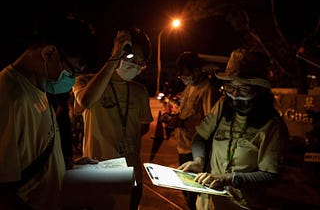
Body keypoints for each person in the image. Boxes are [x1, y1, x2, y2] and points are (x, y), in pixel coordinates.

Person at [0, 11, 99, 209]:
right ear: (49, 53)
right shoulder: (10, 96)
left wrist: (71, 166)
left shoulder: (39, 88)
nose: (72, 79)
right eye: (72, 71)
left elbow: (36, 159)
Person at [178, 48, 289, 210]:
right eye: (230, 87)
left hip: (243, 205)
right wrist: (198, 160)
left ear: (261, 90)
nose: (235, 95)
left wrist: (230, 178)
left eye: (243, 89)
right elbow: (200, 137)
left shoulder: (272, 125)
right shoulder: (223, 105)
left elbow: (271, 175)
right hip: (208, 202)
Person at [72, 28, 153, 210]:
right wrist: (114, 59)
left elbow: (144, 126)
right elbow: (86, 100)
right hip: (96, 174)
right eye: (132, 59)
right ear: (117, 51)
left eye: (141, 63)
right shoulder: (85, 81)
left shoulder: (140, 92)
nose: (135, 66)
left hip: (131, 175)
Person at [167, 52, 221, 210]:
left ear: (197, 71)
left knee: (193, 194)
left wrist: (183, 122)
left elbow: (209, 122)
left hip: (195, 150)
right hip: (183, 146)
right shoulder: (189, 87)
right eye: (180, 75)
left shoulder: (207, 89)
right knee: (185, 189)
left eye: (184, 74)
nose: (182, 78)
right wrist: (176, 118)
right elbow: (187, 112)